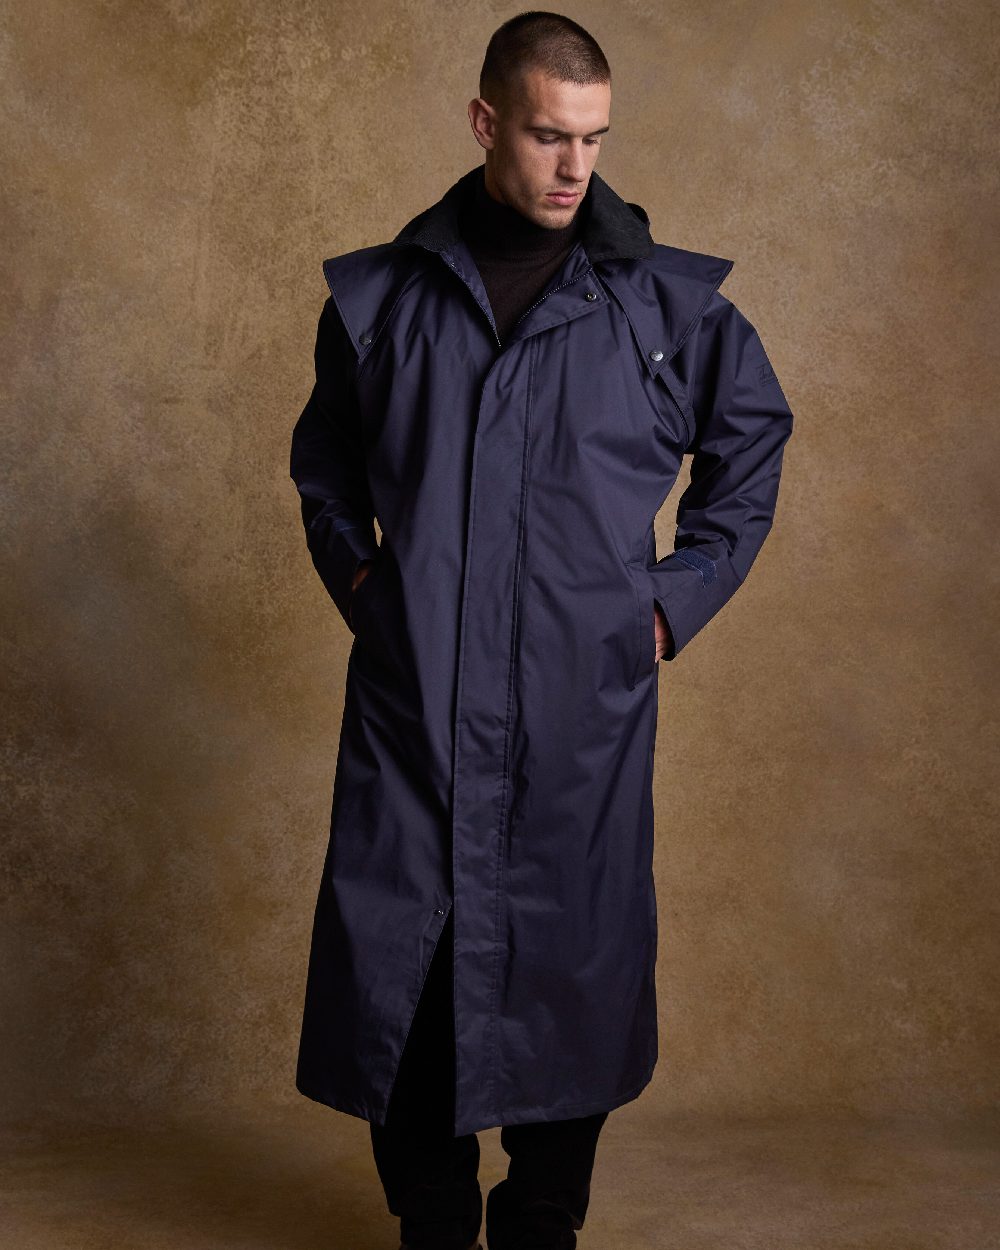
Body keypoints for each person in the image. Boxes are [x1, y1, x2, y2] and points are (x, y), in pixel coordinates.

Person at [289, 12, 794, 1250]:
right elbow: (326, 462)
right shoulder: (382, 301)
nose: (576, 166)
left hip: (580, 709)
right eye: (547, 135)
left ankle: (543, 1220)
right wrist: (365, 583)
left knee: (569, 961)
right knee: (405, 957)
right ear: (484, 123)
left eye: (594, 138)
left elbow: (749, 451)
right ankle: (430, 1216)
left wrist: (669, 603)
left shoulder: (665, 307)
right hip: (415, 701)